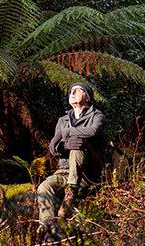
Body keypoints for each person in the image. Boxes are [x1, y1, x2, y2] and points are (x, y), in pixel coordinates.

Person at [36, 82, 105, 240]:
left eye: (78, 91)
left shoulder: (97, 116)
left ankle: (71, 192)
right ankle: (48, 227)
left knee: (78, 140)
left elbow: (94, 131)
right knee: (44, 187)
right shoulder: (62, 120)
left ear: (87, 97)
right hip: (65, 171)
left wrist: (65, 133)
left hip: (89, 171)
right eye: (71, 91)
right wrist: (64, 144)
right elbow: (56, 150)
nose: (72, 93)